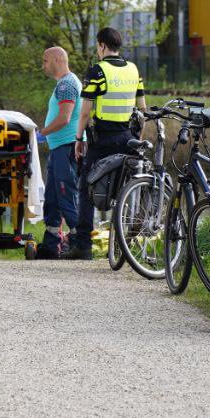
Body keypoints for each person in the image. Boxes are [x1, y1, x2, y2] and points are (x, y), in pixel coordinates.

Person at [68, 27, 146, 260]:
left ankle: (83, 246)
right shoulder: (133, 70)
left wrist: (78, 139)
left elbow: (84, 113)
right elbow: (143, 109)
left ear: (102, 46)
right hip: (128, 136)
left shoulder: (97, 71)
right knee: (125, 189)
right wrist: (138, 138)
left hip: (102, 138)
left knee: (86, 187)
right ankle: (123, 244)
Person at [33, 46, 82, 259]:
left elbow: (65, 118)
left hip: (66, 147)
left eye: (45, 61)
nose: (43, 65)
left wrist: (42, 133)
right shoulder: (63, 84)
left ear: (56, 60)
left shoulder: (67, 84)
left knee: (66, 195)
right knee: (52, 199)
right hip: (58, 148)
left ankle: (79, 244)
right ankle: (52, 244)